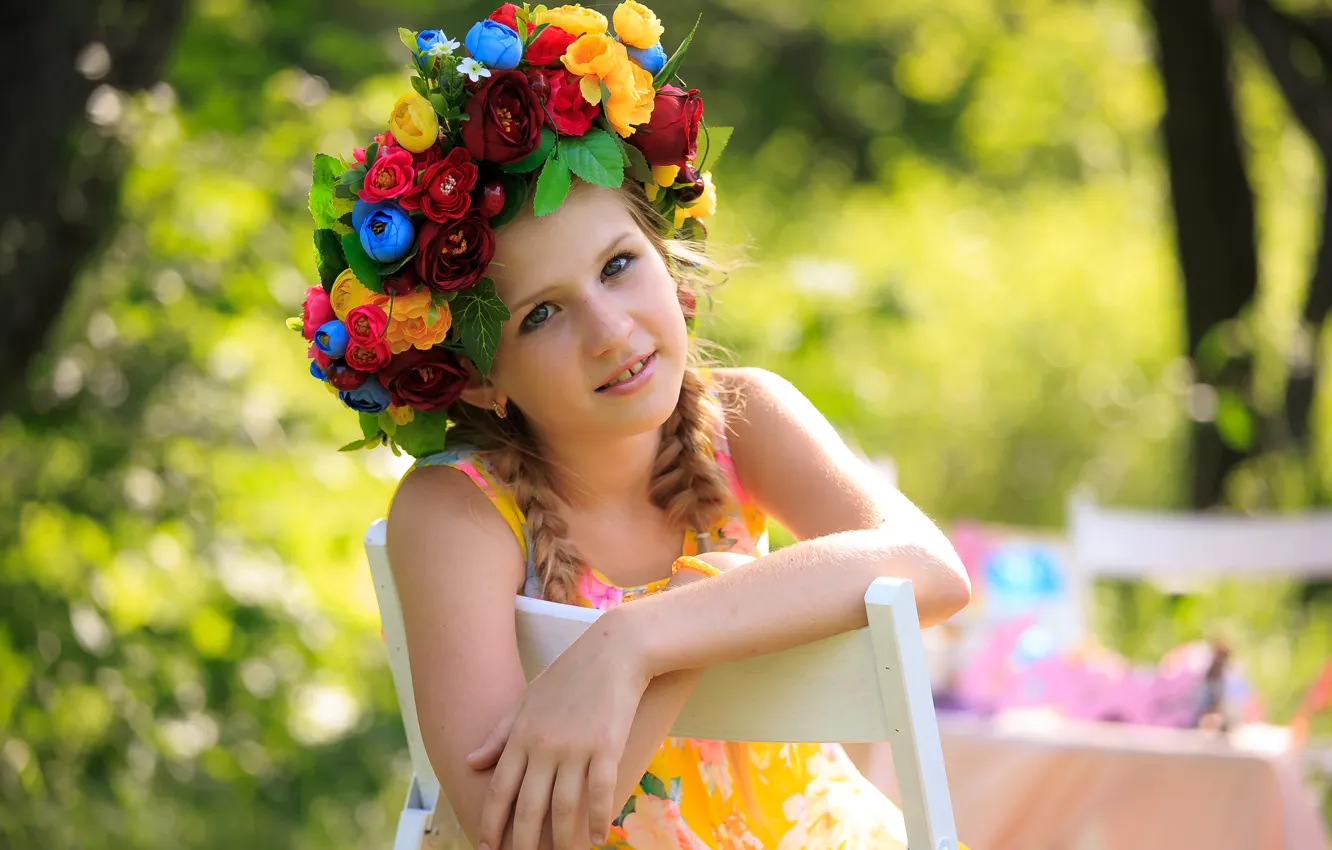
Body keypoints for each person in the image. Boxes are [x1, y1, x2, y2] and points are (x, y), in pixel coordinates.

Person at [294, 5, 971, 848]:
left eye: (618, 265)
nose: (610, 331)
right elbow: (520, 839)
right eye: (541, 315)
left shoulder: (745, 420)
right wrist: (686, 646)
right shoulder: (458, 513)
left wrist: (644, 636)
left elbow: (932, 572)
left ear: (667, 259)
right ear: (482, 379)